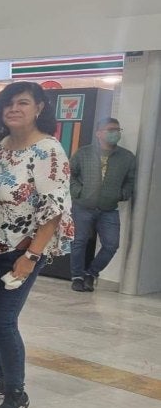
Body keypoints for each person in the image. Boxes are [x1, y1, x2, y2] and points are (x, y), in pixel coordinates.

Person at [0, 81, 73, 408]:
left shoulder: (48, 149)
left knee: (4, 319)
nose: (14, 109)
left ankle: (16, 389)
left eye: (23, 103)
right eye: (8, 104)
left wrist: (31, 257)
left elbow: (53, 209)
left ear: (39, 107)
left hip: (22, 249)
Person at [69, 117, 136, 292]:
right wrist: (78, 192)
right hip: (83, 206)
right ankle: (77, 277)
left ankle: (91, 273)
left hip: (109, 209)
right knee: (79, 241)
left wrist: (122, 194)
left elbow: (130, 181)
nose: (115, 133)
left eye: (118, 130)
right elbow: (70, 174)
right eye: (111, 129)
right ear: (99, 133)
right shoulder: (83, 153)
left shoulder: (127, 157)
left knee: (111, 245)